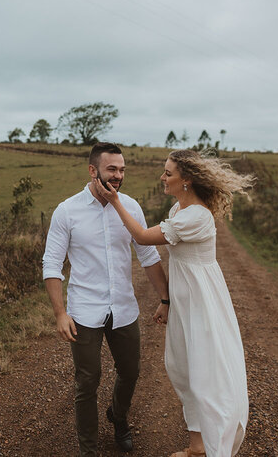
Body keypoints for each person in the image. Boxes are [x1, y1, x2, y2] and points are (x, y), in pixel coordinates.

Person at [93, 149, 254, 457]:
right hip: (184, 298)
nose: (162, 177)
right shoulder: (180, 210)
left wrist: (114, 201)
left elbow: (140, 236)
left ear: (187, 180)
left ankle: (214, 444)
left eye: (168, 173)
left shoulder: (196, 216)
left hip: (202, 300)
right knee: (182, 368)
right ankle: (196, 446)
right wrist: (166, 301)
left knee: (205, 371)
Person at [43, 142, 170, 456]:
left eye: (122, 169)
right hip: (84, 311)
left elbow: (148, 255)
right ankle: (88, 449)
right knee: (87, 382)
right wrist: (60, 313)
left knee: (130, 372)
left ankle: (118, 415)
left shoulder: (130, 207)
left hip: (124, 308)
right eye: (112, 169)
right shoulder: (67, 211)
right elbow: (51, 264)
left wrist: (165, 298)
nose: (118, 176)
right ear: (93, 170)